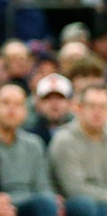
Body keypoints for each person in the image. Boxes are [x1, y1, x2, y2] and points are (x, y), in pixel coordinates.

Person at [0, 85, 59, 216]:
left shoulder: (34, 144)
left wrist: (53, 201)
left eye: (18, 104)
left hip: (30, 205)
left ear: (25, 112)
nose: (12, 109)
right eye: (5, 103)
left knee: (48, 202)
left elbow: (43, 186)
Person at [48, 84, 107, 216]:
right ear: (79, 108)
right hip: (74, 203)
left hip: (103, 199)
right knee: (86, 204)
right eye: (92, 106)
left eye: (103, 107)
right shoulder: (65, 140)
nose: (98, 112)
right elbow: (74, 189)